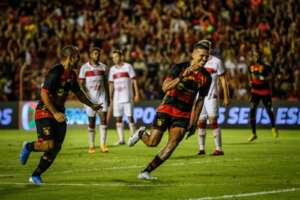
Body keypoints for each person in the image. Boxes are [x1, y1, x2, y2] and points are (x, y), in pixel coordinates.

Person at [128, 40, 212, 180]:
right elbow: (165, 88)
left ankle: (146, 172)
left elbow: (200, 100)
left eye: (206, 57)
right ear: (193, 54)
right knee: (152, 142)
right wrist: (182, 76)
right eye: (202, 56)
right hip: (167, 108)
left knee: (173, 143)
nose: (204, 59)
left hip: (183, 114)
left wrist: (194, 120)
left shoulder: (206, 77)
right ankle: (142, 133)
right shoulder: (179, 67)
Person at [19, 45, 102, 185]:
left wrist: (92, 104)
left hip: (59, 113)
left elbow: (79, 93)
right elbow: (44, 93)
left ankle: (36, 175)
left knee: (56, 147)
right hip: (45, 111)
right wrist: (55, 112)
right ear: (70, 57)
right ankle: (28, 146)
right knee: (48, 145)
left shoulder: (72, 74)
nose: (79, 58)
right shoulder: (56, 71)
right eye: (77, 55)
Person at [196, 40, 230, 156]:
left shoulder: (216, 62)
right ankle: (201, 149)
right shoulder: (197, 61)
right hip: (199, 97)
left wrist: (226, 96)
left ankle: (219, 148)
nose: (207, 49)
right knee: (200, 122)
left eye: (208, 47)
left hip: (212, 96)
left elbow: (223, 80)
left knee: (213, 120)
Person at [79, 47, 110, 153]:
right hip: (90, 99)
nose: (98, 55)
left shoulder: (104, 67)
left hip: (102, 97)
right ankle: (91, 146)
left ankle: (103, 145)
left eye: (99, 54)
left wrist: (108, 97)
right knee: (91, 122)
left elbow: (106, 83)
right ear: (90, 55)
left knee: (103, 119)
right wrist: (84, 98)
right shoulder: (84, 68)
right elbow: (81, 84)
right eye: (95, 53)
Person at [108, 49, 140, 145]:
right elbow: (111, 84)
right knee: (118, 118)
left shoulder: (128, 67)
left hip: (127, 96)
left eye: (116, 56)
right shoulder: (112, 69)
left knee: (130, 117)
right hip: (117, 98)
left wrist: (137, 93)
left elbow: (134, 80)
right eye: (113, 57)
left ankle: (134, 137)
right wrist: (110, 96)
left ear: (121, 57)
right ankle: (121, 140)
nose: (114, 59)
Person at [247, 49, 279, 142]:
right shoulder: (251, 66)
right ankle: (254, 134)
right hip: (255, 92)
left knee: (269, 110)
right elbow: (250, 76)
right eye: (254, 55)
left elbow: (271, 76)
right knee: (252, 110)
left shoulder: (266, 66)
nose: (255, 57)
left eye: (257, 55)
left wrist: (263, 78)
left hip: (265, 92)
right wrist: (250, 84)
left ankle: (273, 127)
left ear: (260, 56)